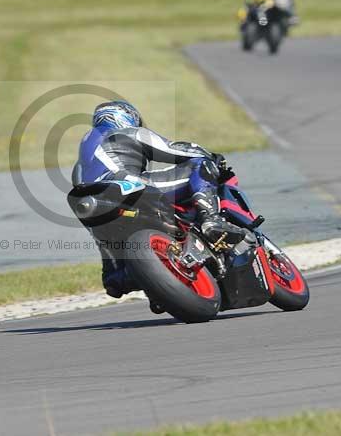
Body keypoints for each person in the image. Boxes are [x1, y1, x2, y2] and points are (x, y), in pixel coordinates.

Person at [71, 100, 247, 299]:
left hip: (91, 205)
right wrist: (212, 157)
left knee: (113, 266)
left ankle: (117, 275)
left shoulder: (80, 164)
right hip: (128, 186)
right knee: (200, 164)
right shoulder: (126, 132)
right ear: (124, 116)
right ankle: (211, 219)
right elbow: (175, 149)